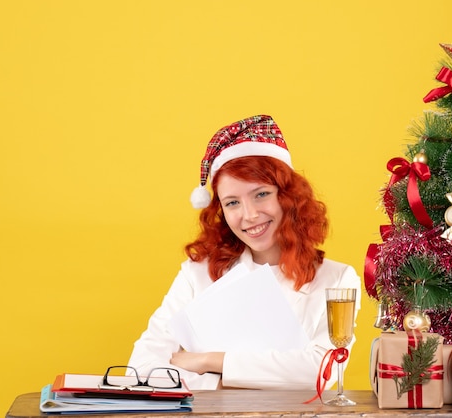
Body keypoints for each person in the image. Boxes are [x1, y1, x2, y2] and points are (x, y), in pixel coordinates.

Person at [128, 115, 361, 390]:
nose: (249, 216)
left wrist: (209, 361)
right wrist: (243, 381)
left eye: (261, 194)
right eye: (232, 202)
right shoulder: (197, 273)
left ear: (288, 197)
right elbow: (141, 370)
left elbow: (321, 370)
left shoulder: (338, 279)